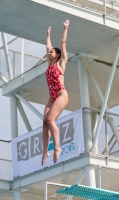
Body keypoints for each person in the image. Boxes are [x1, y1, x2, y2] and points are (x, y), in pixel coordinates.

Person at [41, 20, 70, 166]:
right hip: (51, 98)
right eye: (49, 51)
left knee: (50, 120)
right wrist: (48, 35)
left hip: (61, 95)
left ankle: (57, 147)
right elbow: (47, 45)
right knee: (44, 123)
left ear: (57, 55)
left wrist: (65, 28)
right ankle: (45, 151)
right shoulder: (49, 64)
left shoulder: (61, 63)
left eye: (52, 51)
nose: (49, 52)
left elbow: (63, 42)